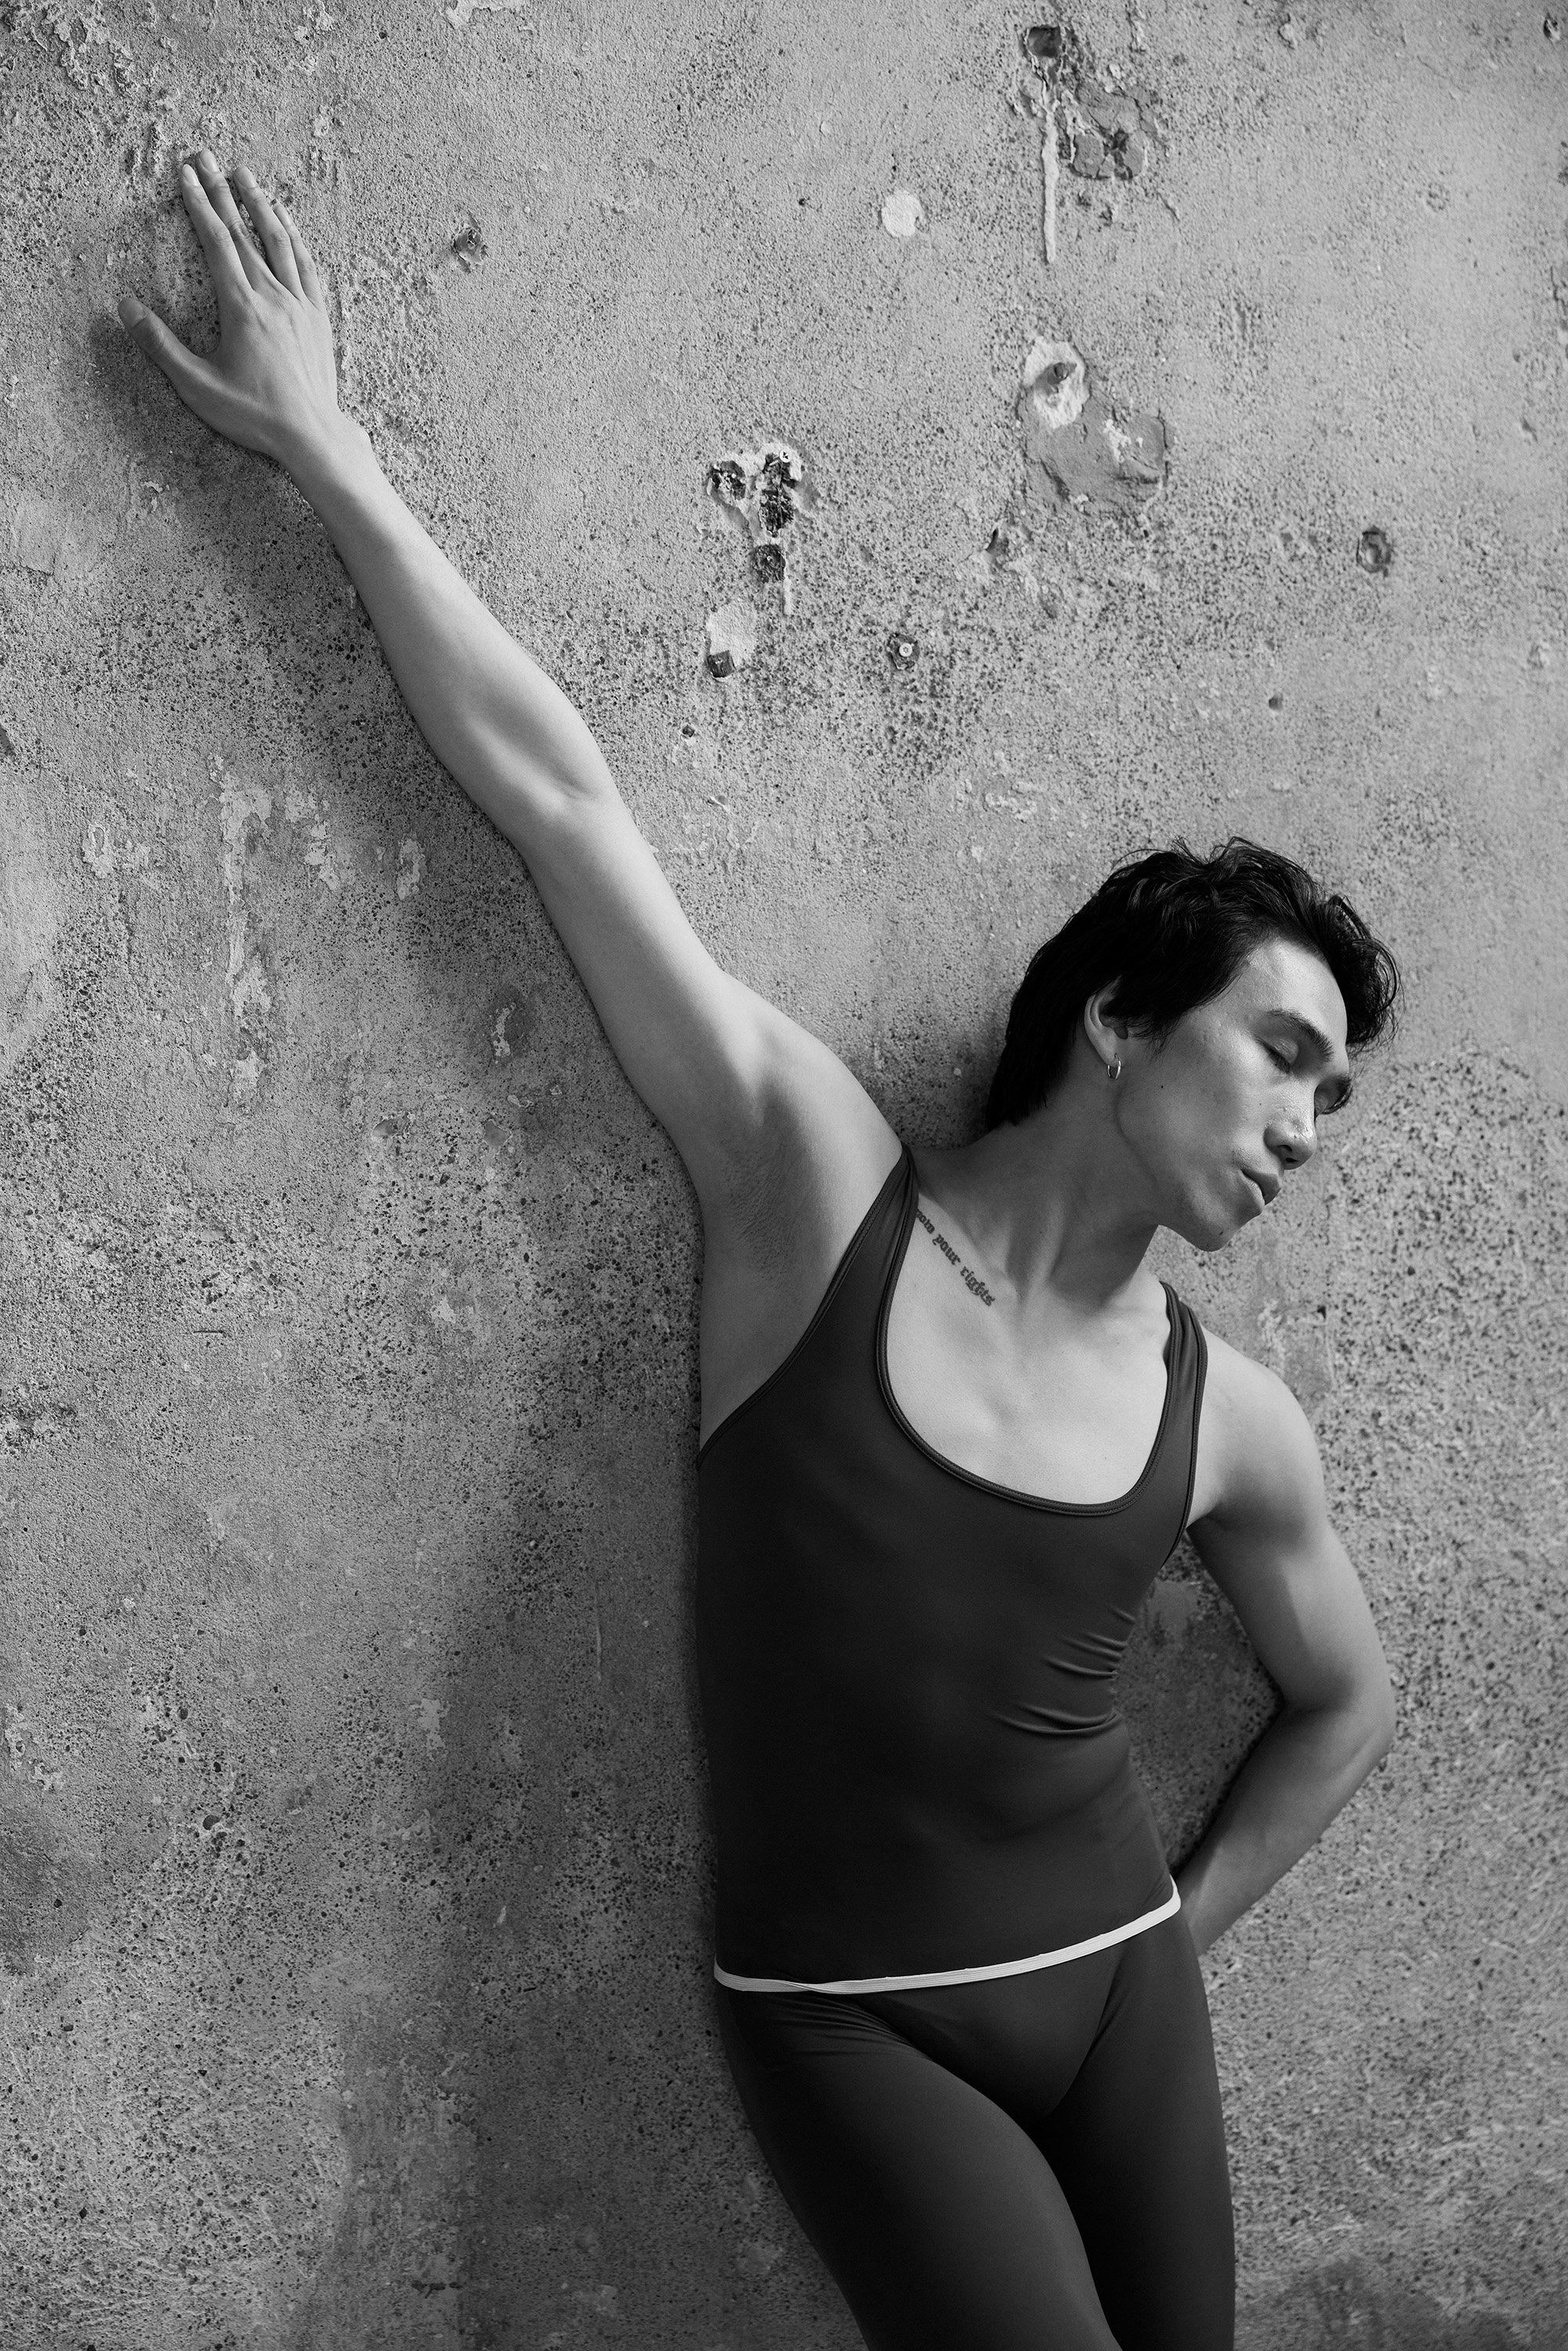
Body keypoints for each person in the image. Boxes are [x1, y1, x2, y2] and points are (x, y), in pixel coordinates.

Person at [118, 154, 1400, 2351]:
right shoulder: (812, 1191)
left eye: (1332, 1097)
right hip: (854, 2027)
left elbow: (1340, 1700)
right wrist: (325, 445)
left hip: (1115, 2005)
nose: (1304, 1122)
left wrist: (1169, 1937)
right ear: (1114, 1019)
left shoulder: (1227, 1422)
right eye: (1279, 1053)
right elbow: (561, 798)